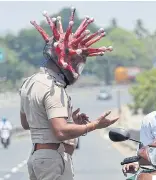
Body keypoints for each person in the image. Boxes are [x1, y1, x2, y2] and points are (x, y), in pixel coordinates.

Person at [19, 7, 118, 180]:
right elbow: (61, 132)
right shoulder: (54, 88)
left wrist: (68, 119)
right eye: (77, 64)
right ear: (66, 62)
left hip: (37, 157)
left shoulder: (29, 83)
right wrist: (94, 125)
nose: (77, 71)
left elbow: (27, 123)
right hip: (51, 160)